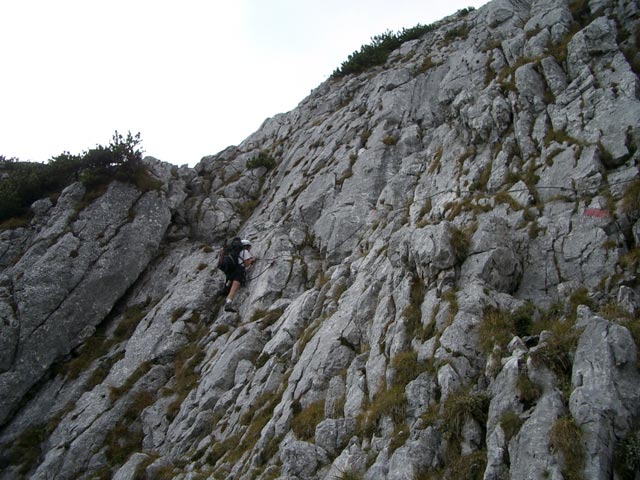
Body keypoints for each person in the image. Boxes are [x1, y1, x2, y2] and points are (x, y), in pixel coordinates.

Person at [224, 238, 255, 312]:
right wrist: (252, 260)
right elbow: (247, 264)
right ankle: (228, 303)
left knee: (231, 284)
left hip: (231, 271)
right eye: (250, 247)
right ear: (247, 246)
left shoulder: (233, 252)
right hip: (238, 271)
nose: (250, 248)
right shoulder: (244, 251)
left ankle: (226, 289)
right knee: (234, 289)